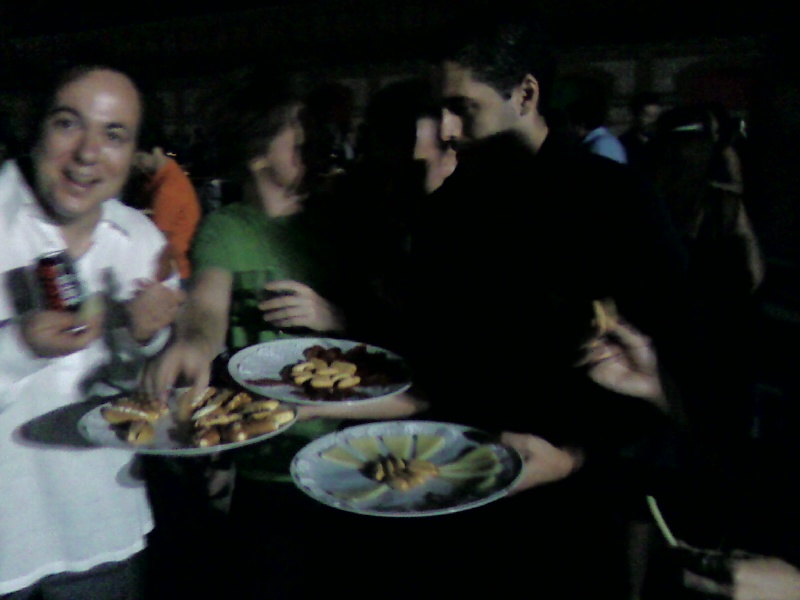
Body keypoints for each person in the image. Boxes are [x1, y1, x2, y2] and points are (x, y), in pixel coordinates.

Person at [142, 70, 426, 598]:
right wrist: (193, 343)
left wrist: (335, 317)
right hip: (273, 468)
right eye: (297, 130)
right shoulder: (228, 228)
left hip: (361, 454)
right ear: (257, 152)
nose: (312, 140)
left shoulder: (344, 219)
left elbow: (398, 330)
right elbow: (207, 306)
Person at [0, 65, 183, 599]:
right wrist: (20, 346)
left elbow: (142, 393)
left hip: (104, 534)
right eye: (67, 123)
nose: (87, 153)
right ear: (35, 127)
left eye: (114, 134)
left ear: (135, 153)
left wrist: (148, 341)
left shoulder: (141, 239)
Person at [128, 142, 202, 286]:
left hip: (169, 273)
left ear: (156, 151)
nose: (137, 165)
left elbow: (156, 239)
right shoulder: (172, 177)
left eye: (140, 158)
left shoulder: (168, 189)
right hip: (175, 269)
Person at [564, 77, 628, 163]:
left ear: (580, 125)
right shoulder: (600, 142)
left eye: (568, 123)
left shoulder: (602, 145)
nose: (567, 129)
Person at [620, 91, 663, 173]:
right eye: (648, 116)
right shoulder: (623, 144)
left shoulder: (665, 144)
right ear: (635, 115)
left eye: (656, 116)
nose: (653, 121)